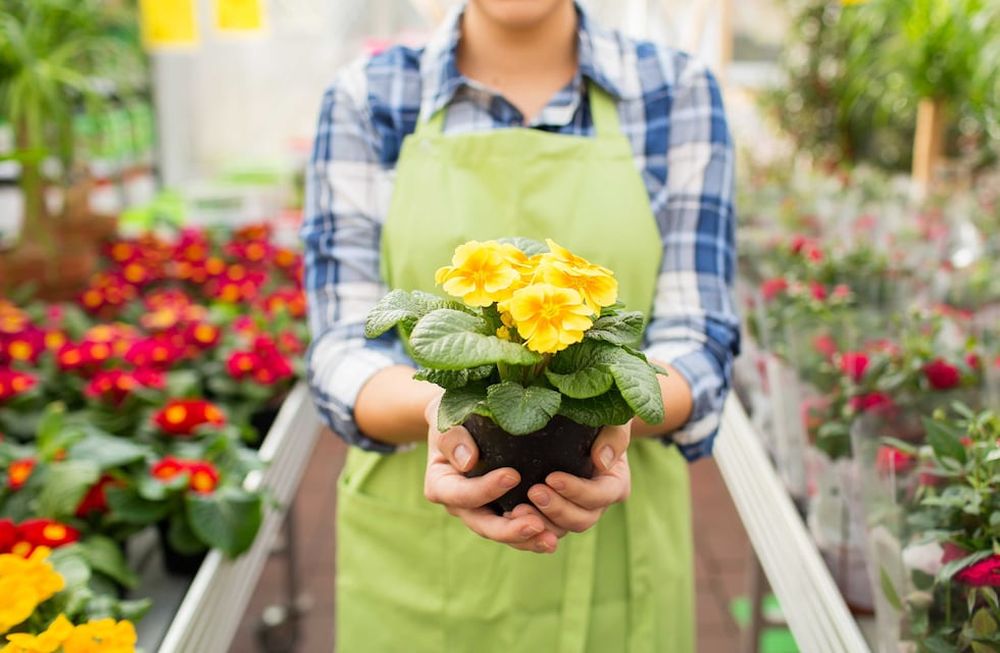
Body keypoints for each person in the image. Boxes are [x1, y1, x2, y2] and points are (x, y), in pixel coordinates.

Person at [301, 1, 739, 650]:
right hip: (418, 554)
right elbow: (341, 346)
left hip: (620, 542)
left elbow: (699, 340)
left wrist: (607, 422)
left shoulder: (676, 92)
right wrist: (448, 416)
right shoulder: (370, 96)